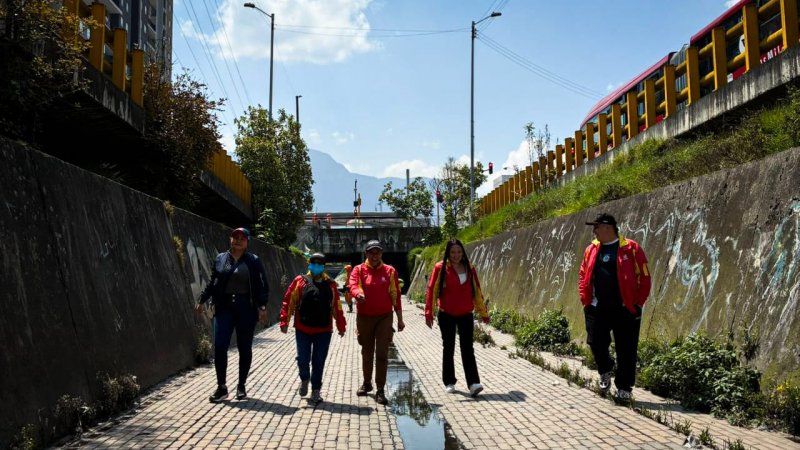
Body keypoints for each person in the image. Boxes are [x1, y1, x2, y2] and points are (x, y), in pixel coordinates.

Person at [578, 213, 651, 402]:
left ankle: (624, 387)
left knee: (626, 348)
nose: (593, 231)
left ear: (607, 228)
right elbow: (583, 274)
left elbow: (644, 277)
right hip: (596, 307)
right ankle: (605, 369)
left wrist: (637, 303)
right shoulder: (591, 249)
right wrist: (585, 300)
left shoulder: (631, 249)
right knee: (595, 341)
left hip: (625, 308)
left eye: (596, 227)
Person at [196, 227, 269, 403]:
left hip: (246, 308)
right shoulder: (221, 259)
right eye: (235, 237)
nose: (238, 240)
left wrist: (262, 306)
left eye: (242, 238)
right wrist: (202, 299)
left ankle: (241, 386)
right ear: (230, 239)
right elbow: (213, 282)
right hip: (224, 308)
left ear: (247, 242)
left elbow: (262, 285)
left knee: (245, 347)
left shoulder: (253, 260)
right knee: (220, 346)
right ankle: (222, 387)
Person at [424, 239, 490, 397]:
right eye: (453, 252)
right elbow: (432, 290)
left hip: (466, 314)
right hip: (446, 314)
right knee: (449, 348)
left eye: (459, 252)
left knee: (468, 349)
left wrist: (483, 313)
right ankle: (449, 381)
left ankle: (473, 383)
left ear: (463, 252)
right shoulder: (440, 268)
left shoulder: (469, 268)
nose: (456, 255)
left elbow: (477, 291)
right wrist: (429, 313)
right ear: (448, 253)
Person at [279, 253, 346, 404]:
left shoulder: (331, 284)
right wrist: (284, 321)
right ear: (309, 264)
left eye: (320, 263)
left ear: (323, 266)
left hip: (323, 331)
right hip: (303, 329)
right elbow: (288, 301)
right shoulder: (299, 281)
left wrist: (341, 325)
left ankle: (316, 390)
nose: (316, 266)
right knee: (302, 359)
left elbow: (337, 307)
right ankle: (304, 379)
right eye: (314, 263)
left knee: (319, 361)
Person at [349, 240, 404, 405]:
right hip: (364, 317)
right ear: (366, 254)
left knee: (382, 354)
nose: (374, 256)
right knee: (367, 352)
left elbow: (395, 295)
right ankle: (367, 384)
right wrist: (358, 293)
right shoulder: (358, 270)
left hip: (384, 318)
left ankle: (380, 389)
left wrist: (400, 319)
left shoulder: (390, 271)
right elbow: (353, 285)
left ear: (381, 254)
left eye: (377, 252)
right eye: (371, 252)